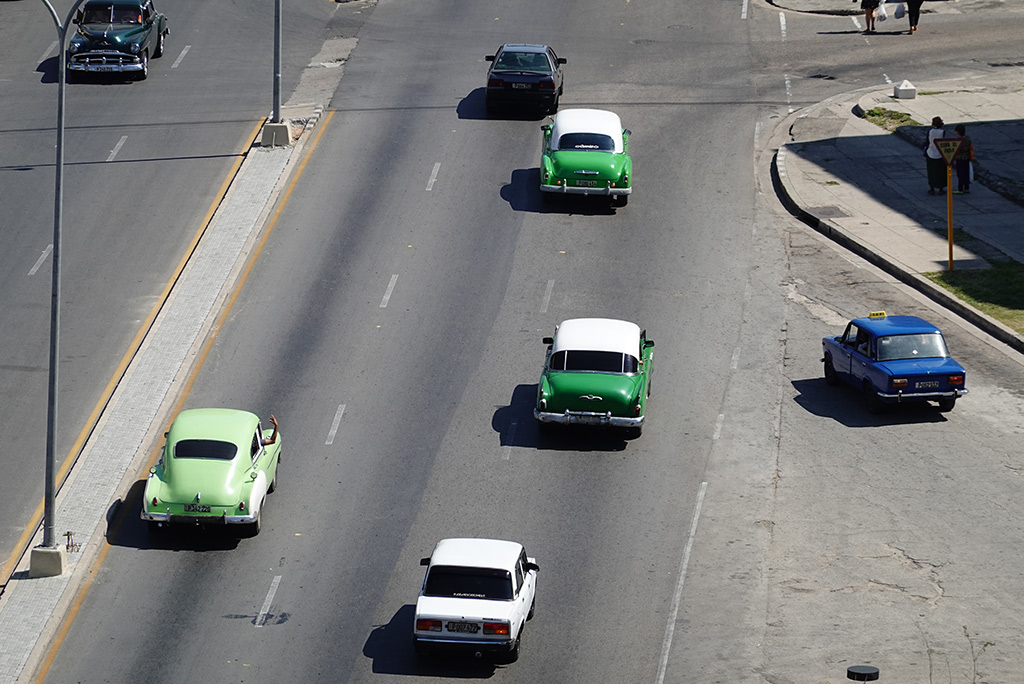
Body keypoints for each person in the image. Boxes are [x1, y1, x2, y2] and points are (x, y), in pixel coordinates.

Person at [925, 116, 946, 195]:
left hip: (930, 153)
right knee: (941, 172)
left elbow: (927, 141)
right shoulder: (942, 132)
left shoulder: (930, 132)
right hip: (940, 154)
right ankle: (941, 188)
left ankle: (932, 188)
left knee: (931, 172)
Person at [952, 124, 974, 194]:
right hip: (967, 158)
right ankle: (966, 187)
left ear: (957, 132)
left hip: (960, 159)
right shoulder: (968, 139)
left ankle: (960, 189)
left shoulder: (958, 141)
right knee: (966, 173)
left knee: (960, 174)